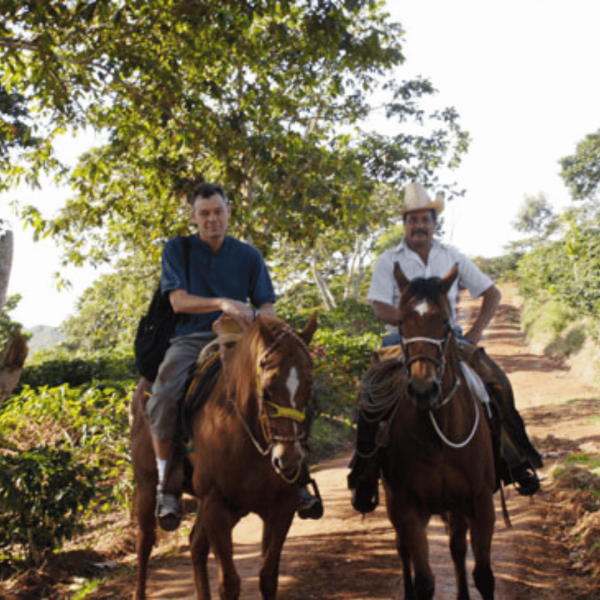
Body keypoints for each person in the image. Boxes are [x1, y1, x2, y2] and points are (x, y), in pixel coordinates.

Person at [348, 181, 542, 514]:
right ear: (405, 224)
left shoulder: (452, 257)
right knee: (371, 393)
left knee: (495, 381)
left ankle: (515, 457)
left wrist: (475, 333)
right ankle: (364, 472)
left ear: (435, 224)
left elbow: (492, 293)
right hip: (400, 339)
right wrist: (411, 324)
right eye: (412, 220)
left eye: (425, 220)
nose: (419, 226)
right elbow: (380, 307)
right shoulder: (387, 260)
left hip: (447, 339)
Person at [145, 182, 322, 531]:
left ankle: (298, 473)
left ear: (229, 213)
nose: (212, 219)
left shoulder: (248, 256)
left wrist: (258, 319)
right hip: (192, 338)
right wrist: (222, 303)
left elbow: (267, 307)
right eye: (204, 213)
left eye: (218, 212)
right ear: (194, 217)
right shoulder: (177, 250)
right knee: (164, 394)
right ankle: (167, 484)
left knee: (298, 385)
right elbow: (178, 301)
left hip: (245, 339)